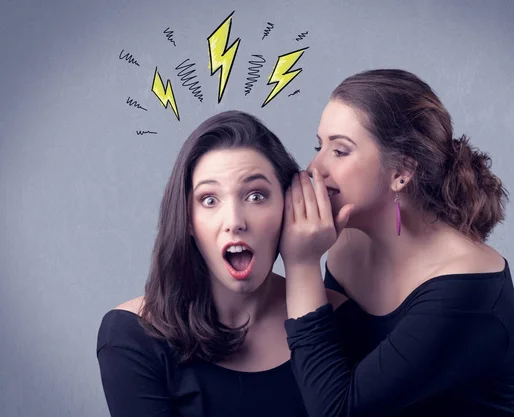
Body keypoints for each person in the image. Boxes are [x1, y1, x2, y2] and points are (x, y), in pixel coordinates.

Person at [280, 69, 514, 416]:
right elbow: (323, 366)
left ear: (402, 173)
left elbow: (338, 410)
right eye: (319, 147)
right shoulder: (346, 242)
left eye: (340, 151)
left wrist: (301, 265)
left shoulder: (466, 286)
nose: (315, 168)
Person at [96, 110, 346, 417]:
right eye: (209, 200)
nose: (234, 222)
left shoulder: (342, 319)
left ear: (289, 206)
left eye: (256, 196)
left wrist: (303, 264)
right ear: (187, 219)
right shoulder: (132, 336)